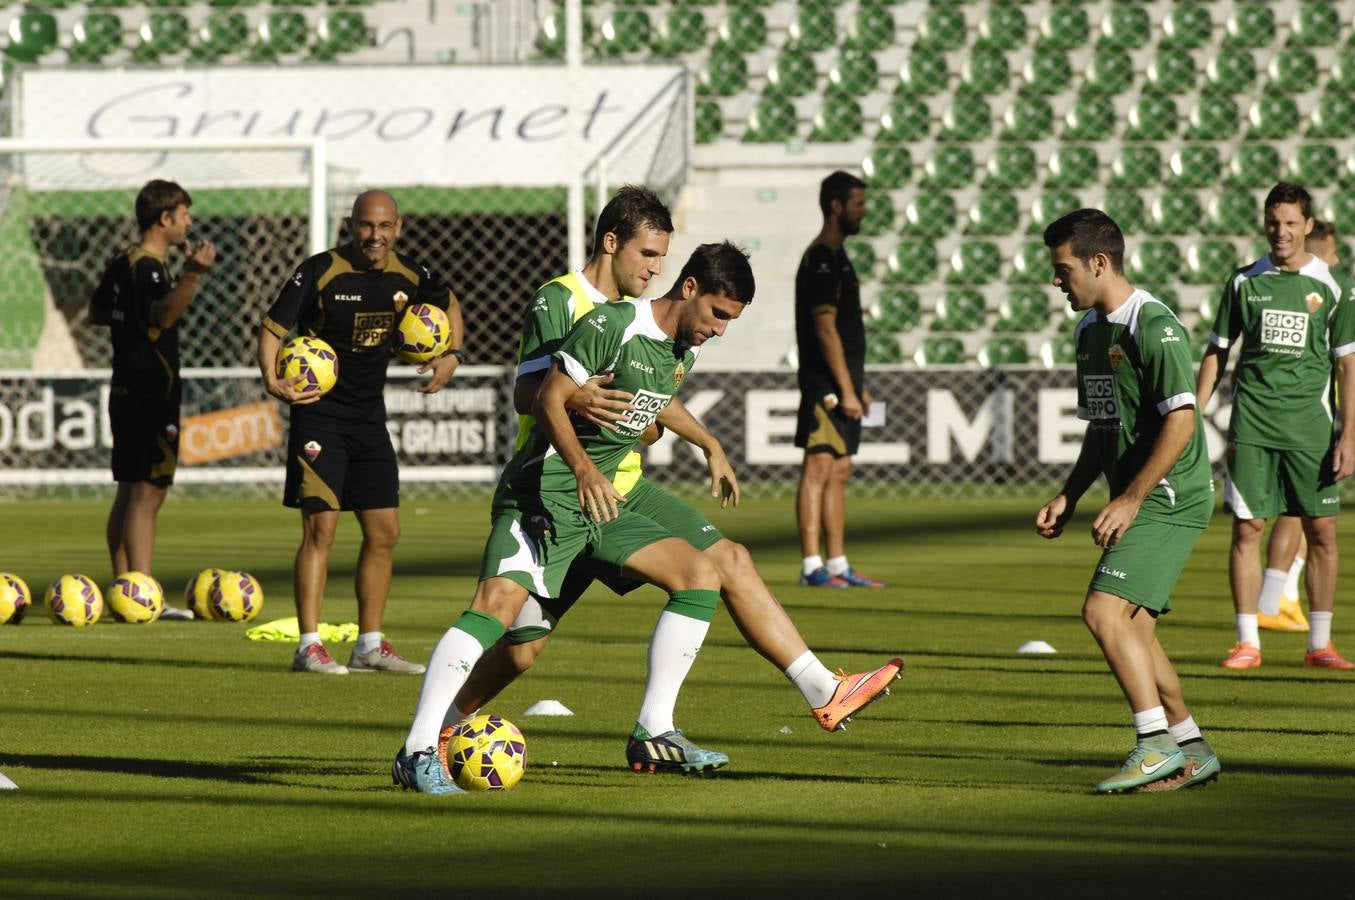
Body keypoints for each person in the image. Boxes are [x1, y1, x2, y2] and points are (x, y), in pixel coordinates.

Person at [443, 187, 902, 746]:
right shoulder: (562, 300)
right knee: (522, 648)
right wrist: (579, 398)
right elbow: (527, 393)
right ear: (612, 244)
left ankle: (820, 690)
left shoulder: (663, 325)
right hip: (560, 483)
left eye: (663, 256)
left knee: (726, 559)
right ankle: (441, 725)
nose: (656, 268)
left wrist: (704, 441)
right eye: (649, 255)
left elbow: (652, 403)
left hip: (624, 485)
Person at [393, 242, 758, 795]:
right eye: (718, 315)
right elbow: (546, 398)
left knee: (701, 574)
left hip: (601, 505)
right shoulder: (612, 324)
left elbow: (656, 401)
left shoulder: (680, 350)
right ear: (690, 290)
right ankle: (418, 749)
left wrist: (708, 442)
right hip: (543, 493)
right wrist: (585, 469)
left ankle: (655, 729)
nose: (721, 330)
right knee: (496, 614)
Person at [1036, 209, 1220, 793]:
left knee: (1102, 612)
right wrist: (1070, 494)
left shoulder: (1155, 326)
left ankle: (1152, 744)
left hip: (1171, 495)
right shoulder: (1089, 332)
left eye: (1063, 269)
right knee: (1135, 633)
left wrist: (1133, 498)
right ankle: (1191, 747)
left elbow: (1183, 423)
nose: (1056, 281)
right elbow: (1101, 426)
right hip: (1143, 496)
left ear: (1099, 262)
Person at [258, 190, 463, 675]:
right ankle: (309, 645)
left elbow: (450, 304)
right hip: (319, 416)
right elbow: (271, 329)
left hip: (369, 418)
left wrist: (451, 356)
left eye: (385, 226)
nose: (376, 236)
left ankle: (369, 644)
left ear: (399, 226)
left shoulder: (411, 275)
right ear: (352, 226)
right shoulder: (320, 270)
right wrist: (272, 379)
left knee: (385, 531)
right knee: (321, 527)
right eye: (366, 226)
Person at [1196, 185, 1355, 670]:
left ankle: (1319, 645)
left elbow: (1348, 365)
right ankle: (1248, 641)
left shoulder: (1334, 286)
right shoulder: (1244, 282)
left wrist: (1350, 434)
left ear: (1308, 225)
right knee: (1248, 529)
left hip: (1311, 430)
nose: (1281, 232)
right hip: (1254, 427)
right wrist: (1193, 411)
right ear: (1265, 223)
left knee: (1323, 532)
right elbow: (1218, 350)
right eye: (1273, 222)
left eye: (1291, 223)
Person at [89, 179, 216, 620]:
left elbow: (98, 312)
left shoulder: (124, 261)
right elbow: (163, 315)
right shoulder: (152, 269)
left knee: (128, 490)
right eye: (184, 216)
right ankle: (144, 599)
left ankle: (125, 590)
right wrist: (194, 273)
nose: (189, 224)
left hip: (125, 386)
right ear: (165, 219)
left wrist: (129, 332)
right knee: (149, 493)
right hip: (152, 391)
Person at [794, 171, 883, 588]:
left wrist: (857, 384)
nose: (864, 211)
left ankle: (837, 564)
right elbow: (825, 328)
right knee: (819, 466)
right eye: (859, 203)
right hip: (824, 385)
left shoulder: (838, 256)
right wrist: (844, 388)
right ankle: (812, 565)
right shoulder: (822, 259)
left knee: (840, 469)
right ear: (837, 206)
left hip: (843, 381)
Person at [1256, 221, 1345, 634]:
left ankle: (1280, 597)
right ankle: (1272, 601)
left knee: (1305, 518)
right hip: (1309, 418)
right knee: (1297, 513)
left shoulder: (1333, 293)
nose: (1337, 259)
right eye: (1332, 251)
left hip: (1325, 410)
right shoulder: (1320, 288)